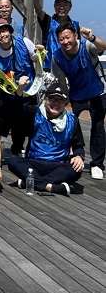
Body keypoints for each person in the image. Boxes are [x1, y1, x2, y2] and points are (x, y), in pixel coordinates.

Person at [7, 83, 84, 195]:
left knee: (76, 169)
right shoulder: (35, 112)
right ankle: (49, 187)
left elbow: (78, 145)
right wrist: (19, 90)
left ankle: (30, 181)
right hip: (34, 162)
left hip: (57, 164)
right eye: (52, 99)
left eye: (60, 100)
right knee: (13, 161)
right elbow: (17, 111)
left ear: (65, 103)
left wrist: (78, 156)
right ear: (45, 99)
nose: (56, 103)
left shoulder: (72, 120)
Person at [51, 22, 106, 179]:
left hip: (98, 91)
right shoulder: (57, 56)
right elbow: (62, 81)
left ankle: (96, 164)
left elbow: (103, 47)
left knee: (98, 126)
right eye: (62, 39)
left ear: (75, 36)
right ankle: (69, 156)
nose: (66, 41)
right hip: (76, 94)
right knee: (68, 124)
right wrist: (65, 101)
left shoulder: (87, 46)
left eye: (68, 37)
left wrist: (92, 37)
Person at [0, 18, 40, 155]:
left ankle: (27, 154)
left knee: (28, 126)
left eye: (4, 30)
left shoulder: (24, 42)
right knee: (1, 124)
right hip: (8, 95)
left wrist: (41, 51)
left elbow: (38, 60)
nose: (2, 35)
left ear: (10, 31)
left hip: (29, 93)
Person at [30, 0, 80, 71]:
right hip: (49, 68)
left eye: (65, 5)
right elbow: (39, 10)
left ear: (70, 7)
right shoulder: (48, 22)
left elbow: (78, 47)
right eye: (59, 4)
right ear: (54, 6)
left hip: (70, 69)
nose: (61, 7)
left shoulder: (75, 25)